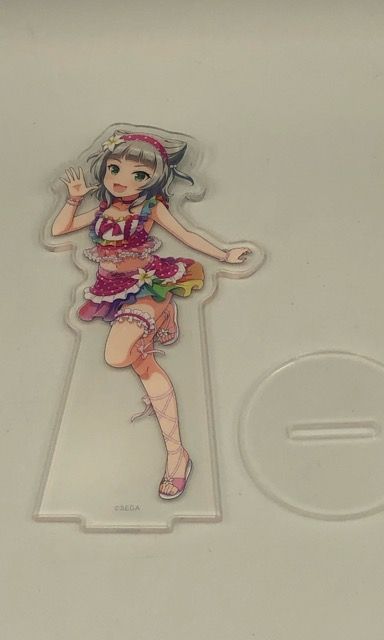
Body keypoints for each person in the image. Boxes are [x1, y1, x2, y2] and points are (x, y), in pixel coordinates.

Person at [52, 129, 251, 499]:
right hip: (112, 292)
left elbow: (187, 235)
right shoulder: (101, 210)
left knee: (116, 357)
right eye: (114, 169)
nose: (121, 180)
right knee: (142, 365)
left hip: (148, 286)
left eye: (138, 174)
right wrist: (73, 199)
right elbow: (59, 229)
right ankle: (177, 456)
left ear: (154, 178)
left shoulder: (150, 209)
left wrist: (225, 255)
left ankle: (163, 311)